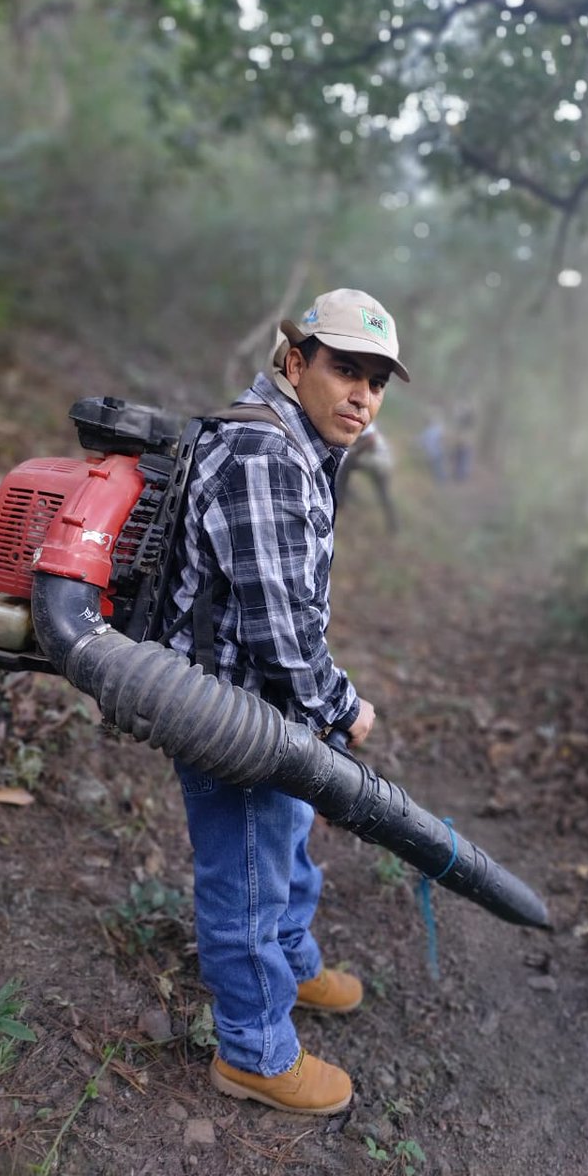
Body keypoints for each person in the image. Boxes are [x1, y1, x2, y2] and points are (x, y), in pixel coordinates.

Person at [164, 288, 410, 1115]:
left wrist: (317, 711)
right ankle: (254, 1052)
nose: (363, 396)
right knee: (246, 875)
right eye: (347, 369)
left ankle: (294, 967)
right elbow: (277, 626)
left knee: (289, 838)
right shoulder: (263, 452)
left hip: (267, 707)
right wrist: (343, 708)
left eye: (377, 381)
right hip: (225, 706)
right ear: (296, 362)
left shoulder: (303, 441)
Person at [335, 420, 399, 534]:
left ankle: (341, 500)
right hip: (382, 462)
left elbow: (371, 440)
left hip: (377, 461)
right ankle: (394, 525)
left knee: (346, 464)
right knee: (384, 494)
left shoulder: (365, 422)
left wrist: (355, 452)